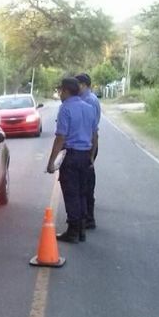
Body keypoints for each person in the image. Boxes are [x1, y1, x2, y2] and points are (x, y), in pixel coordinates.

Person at [46, 77, 99, 243]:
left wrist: (51, 162)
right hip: (85, 155)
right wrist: (91, 156)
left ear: (67, 91)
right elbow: (95, 135)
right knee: (83, 193)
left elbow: (60, 137)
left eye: (61, 90)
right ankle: (82, 229)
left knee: (71, 194)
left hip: (71, 155)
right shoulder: (89, 108)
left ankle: (73, 231)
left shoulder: (65, 108)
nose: (60, 93)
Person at [76, 73, 101, 229]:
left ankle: (88, 218)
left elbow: (92, 130)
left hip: (88, 144)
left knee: (85, 182)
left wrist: (91, 154)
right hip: (88, 143)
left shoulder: (89, 101)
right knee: (84, 180)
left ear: (84, 85)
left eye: (77, 84)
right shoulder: (87, 99)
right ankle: (85, 213)